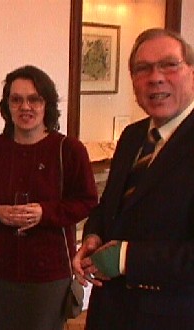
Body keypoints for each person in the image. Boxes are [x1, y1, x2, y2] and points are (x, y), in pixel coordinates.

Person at [72, 28, 194, 330]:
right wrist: (93, 237)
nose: (155, 77)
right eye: (143, 68)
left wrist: (126, 257)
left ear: (191, 72)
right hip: (108, 313)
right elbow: (109, 207)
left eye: (169, 64)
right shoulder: (131, 137)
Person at [0, 65, 98, 330]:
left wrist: (44, 214)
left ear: (47, 104)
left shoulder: (68, 150)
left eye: (34, 99)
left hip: (48, 272)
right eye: (17, 99)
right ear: (7, 106)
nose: (26, 107)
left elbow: (87, 200)